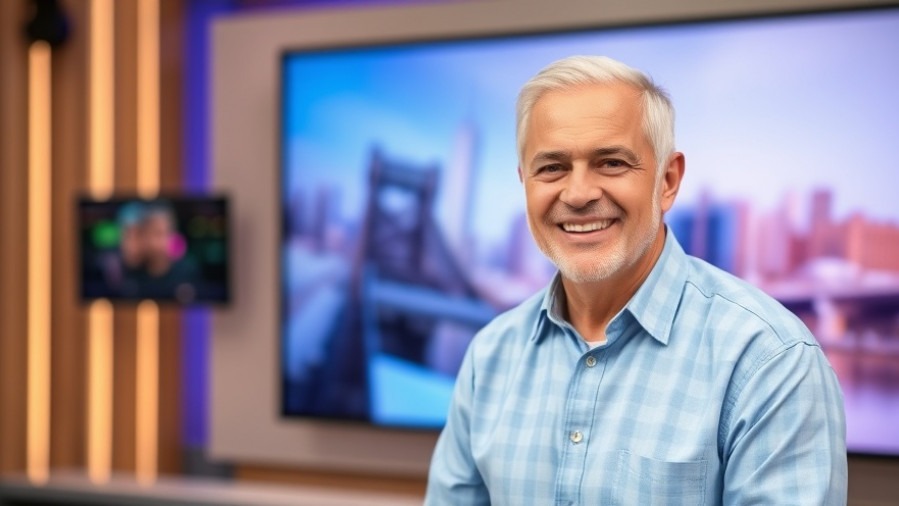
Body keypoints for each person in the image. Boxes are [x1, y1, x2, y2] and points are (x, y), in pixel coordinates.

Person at [425, 56, 846, 505]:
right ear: (524, 182)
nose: (579, 193)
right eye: (552, 167)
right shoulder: (490, 356)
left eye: (610, 163)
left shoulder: (769, 362)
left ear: (667, 180)